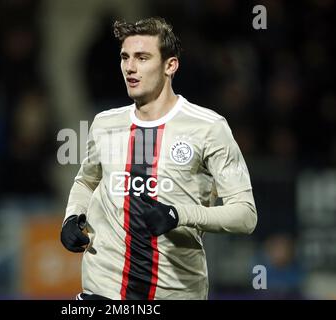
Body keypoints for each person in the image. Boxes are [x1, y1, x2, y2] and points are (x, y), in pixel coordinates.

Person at [60, 17, 257, 300]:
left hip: (175, 291)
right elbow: (87, 181)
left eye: (142, 57)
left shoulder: (208, 127)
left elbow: (245, 214)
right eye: (125, 57)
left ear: (170, 65)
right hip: (104, 289)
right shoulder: (105, 124)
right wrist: (71, 218)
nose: (130, 67)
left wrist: (179, 214)